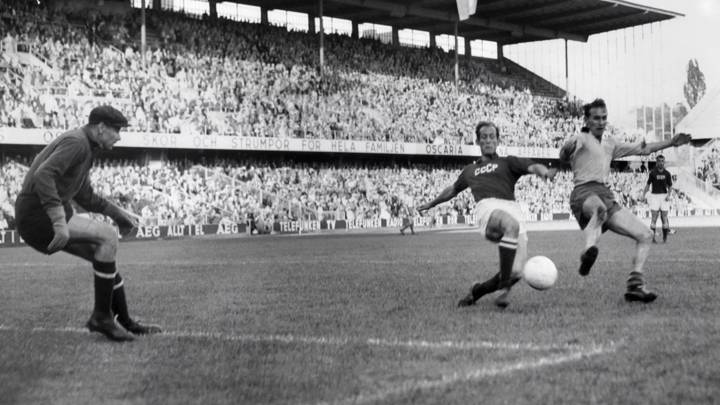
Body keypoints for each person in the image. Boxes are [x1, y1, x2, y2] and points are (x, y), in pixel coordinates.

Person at [14, 105, 161, 342]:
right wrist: (59, 222)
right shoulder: (77, 143)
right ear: (101, 128)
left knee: (103, 254)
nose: (119, 136)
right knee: (108, 238)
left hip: (43, 213)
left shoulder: (86, 147)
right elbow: (44, 175)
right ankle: (102, 318)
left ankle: (124, 321)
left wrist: (117, 214)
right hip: (37, 215)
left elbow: (85, 197)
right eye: (117, 130)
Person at [558, 99, 691, 303]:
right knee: (600, 211)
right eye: (596, 118)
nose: (601, 122)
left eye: (604, 118)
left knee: (645, 235)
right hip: (583, 192)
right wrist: (566, 149)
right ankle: (588, 251)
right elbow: (564, 153)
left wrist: (671, 142)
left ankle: (635, 285)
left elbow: (644, 150)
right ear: (587, 119)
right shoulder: (581, 138)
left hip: (605, 194)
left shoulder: (610, 143)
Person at [418, 121, 557, 308]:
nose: (488, 140)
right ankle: (504, 287)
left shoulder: (508, 162)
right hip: (488, 209)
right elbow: (452, 190)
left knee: (517, 271)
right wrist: (432, 203)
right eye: (484, 137)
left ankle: (477, 291)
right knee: (510, 225)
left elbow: (533, 167)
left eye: (492, 136)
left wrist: (545, 172)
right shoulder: (470, 171)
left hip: (514, 211)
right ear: (478, 141)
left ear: (498, 140)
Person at [642, 155, 673, 243]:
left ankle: (665, 239)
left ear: (664, 162)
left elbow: (670, 186)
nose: (661, 163)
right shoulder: (653, 173)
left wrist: (668, 195)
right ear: (656, 162)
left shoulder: (667, 174)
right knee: (654, 218)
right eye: (659, 161)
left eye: (662, 161)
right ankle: (653, 239)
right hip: (654, 196)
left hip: (664, 197)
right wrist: (643, 195)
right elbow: (648, 185)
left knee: (664, 218)